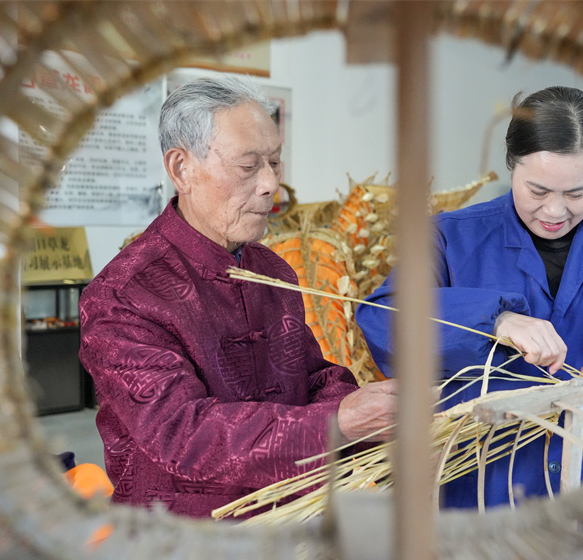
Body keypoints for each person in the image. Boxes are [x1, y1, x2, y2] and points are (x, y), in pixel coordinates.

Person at [356, 86, 583, 508]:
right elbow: (383, 318)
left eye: (577, 193)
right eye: (537, 191)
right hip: (480, 494)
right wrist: (494, 320)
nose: (555, 212)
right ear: (511, 164)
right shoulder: (449, 238)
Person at [79, 75, 396, 518]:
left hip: (291, 515)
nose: (270, 185)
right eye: (249, 167)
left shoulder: (271, 270)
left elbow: (309, 376)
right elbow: (182, 435)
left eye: (275, 162)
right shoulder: (124, 294)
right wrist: (337, 423)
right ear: (181, 169)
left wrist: (364, 407)